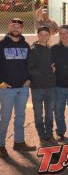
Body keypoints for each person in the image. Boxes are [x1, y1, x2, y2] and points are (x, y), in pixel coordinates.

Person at [0, 18, 36, 159]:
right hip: (6, 89)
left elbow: (30, 65)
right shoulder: (2, 45)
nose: (15, 28)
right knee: (5, 118)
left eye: (18, 26)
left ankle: (19, 142)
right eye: (13, 25)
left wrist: (29, 79)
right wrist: (0, 82)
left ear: (22, 29)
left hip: (23, 88)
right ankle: (1, 144)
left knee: (20, 117)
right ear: (9, 27)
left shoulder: (26, 45)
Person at [27, 26, 57, 146]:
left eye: (46, 34)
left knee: (49, 113)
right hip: (37, 88)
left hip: (50, 87)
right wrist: (49, 71)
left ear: (49, 36)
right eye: (41, 34)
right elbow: (31, 70)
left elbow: (55, 67)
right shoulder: (33, 50)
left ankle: (49, 135)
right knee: (38, 114)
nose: (44, 36)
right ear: (38, 36)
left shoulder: (51, 49)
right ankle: (41, 135)